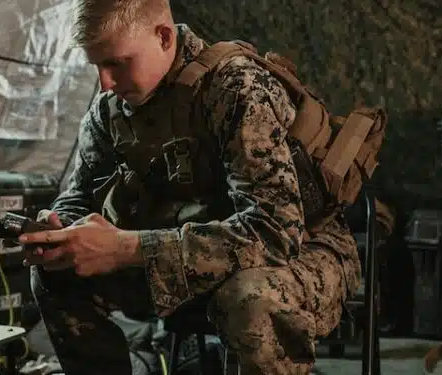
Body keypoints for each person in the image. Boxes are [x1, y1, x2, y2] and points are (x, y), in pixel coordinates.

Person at [18, 0, 361, 374]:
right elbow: (79, 193)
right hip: (181, 253)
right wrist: (62, 229)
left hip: (302, 252)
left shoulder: (236, 87)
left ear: (163, 36)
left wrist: (128, 248)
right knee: (57, 273)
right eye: (96, 66)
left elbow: (275, 232)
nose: (105, 82)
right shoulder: (109, 111)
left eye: (116, 62)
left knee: (251, 299)